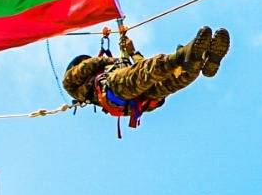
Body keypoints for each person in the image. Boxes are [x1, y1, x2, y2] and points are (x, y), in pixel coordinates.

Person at [62, 26, 230, 128]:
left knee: (171, 79)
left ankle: (198, 61)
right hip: (116, 89)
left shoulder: (112, 71)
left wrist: (132, 52)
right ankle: (184, 55)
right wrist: (115, 59)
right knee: (151, 70)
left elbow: (143, 68)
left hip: (136, 98)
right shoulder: (72, 84)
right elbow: (90, 65)